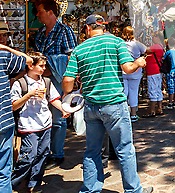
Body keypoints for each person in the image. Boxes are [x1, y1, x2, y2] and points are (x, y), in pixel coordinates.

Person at [62, 14, 153, 193]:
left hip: (91, 106)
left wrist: (70, 93)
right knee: (125, 149)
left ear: (88, 28)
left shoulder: (79, 50)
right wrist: (139, 63)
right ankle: (133, 190)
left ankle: (90, 189)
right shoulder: (116, 42)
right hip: (114, 105)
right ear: (104, 27)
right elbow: (127, 68)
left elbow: (67, 82)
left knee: (92, 151)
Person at [11, 52, 69, 192]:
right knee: (28, 156)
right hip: (28, 125)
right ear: (30, 66)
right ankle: (13, 182)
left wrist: (63, 110)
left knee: (42, 155)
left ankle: (34, 184)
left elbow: (53, 98)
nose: (44, 69)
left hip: (45, 123)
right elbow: (13, 105)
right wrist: (29, 95)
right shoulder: (21, 83)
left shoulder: (46, 82)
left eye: (44, 66)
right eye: (41, 66)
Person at [34, 0, 77, 169]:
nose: (37, 15)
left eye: (40, 11)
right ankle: (43, 152)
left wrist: (53, 66)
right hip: (40, 79)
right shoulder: (40, 32)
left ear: (50, 12)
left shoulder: (64, 31)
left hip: (57, 79)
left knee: (58, 117)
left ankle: (57, 153)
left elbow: (72, 57)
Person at [0, 44, 31, 193]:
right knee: (3, 171)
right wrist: (6, 48)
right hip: (3, 121)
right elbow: (28, 60)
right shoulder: (3, 57)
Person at [121, 26, 147, 122]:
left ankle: (123, 113)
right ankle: (133, 114)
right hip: (135, 71)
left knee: (124, 92)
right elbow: (146, 50)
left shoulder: (121, 44)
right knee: (133, 92)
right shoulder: (137, 44)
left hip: (123, 70)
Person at [144, 33, 165, 117]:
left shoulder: (155, 47)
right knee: (158, 90)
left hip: (153, 71)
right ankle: (159, 108)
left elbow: (145, 50)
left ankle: (152, 110)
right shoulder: (160, 47)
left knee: (152, 90)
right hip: (157, 71)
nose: (152, 38)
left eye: (153, 37)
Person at [163, 35, 175, 109]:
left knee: (170, 87)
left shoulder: (168, 52)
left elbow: (163, 59)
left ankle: (170, 102)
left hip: (170, 71)